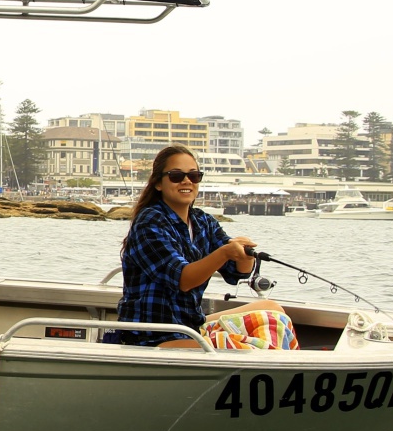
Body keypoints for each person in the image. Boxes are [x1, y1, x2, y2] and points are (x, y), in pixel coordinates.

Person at [112, 145, 274, 348]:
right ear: (158, 183)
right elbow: (183, 279)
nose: (186, 181)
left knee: (272, 308)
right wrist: (224, 252)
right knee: (248, 349)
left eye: (194, 176)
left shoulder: (202, 221)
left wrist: (245, 255)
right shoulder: (150, 221)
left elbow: (236, 274)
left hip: (191, 327)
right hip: (155, 336)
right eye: (176, 176)